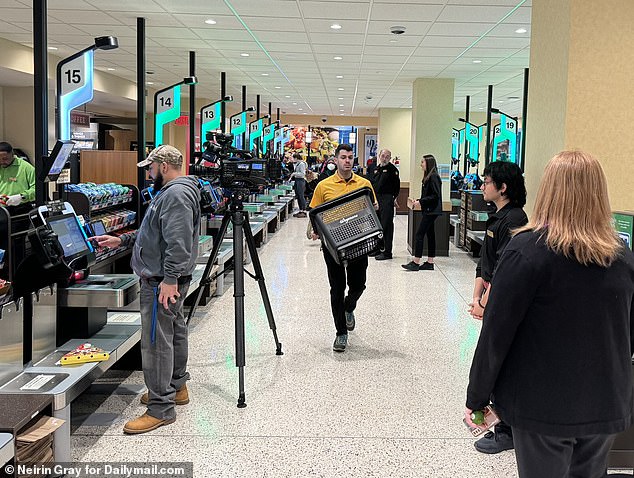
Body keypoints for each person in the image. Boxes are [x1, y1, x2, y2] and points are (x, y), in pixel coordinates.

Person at [465, 151, 634, 478]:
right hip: (605, 402)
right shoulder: (622, 256)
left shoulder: (527, 251)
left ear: (549, 191)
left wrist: (477, 395)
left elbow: (497, 333)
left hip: (542, 404)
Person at [91, 145, 201, 435]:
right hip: (166, 277)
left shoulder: (175, 194)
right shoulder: (177, 191)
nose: (149, 173)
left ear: (164, 166)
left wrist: (170, 278)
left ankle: (160, 407)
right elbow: (155, 235)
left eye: (150, 168)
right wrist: (123, 241)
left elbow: (178, 242)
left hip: (160, 282)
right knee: (174, 332)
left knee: (156, 342)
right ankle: (176, 388)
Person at [467, 161, 528, 454]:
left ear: (502, 187)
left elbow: (505, 271)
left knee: (502, 365)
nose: (483, 186)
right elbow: (485, 263)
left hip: (502, 303)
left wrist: (486, 303)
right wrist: (476, 298)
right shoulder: (496, 217)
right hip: (489, 301)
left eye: (487, 181)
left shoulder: (515, 220)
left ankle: (508, 430)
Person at [309, 144, 377, 352]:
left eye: (350, 158)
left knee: (358, 285)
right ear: (335, 160)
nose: (347, 161)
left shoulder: (364, 184)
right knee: (337, 289)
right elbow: (314, 212)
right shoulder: (324, 186)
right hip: (332, 246)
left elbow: (374, 208)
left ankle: (349, 307)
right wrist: (314, 230)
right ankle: (340, 333)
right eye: (343, 157)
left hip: (358, 242)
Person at [402, 154, 442, 271]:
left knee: (419, 234)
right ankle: (430, 262)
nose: (421, 164)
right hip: (430, 210)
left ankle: (416, 261)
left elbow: (435, 196)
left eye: (423, 162)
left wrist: (421, 201)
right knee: (430, 235)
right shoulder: (429, 176)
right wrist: (420, 201)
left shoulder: (433, 177)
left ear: (428, 163)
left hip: (431, 210)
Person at [371, 149, 400, 261]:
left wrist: (393, 198)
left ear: (390, 158)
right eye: (383, 156)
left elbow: (396, 186)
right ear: (379, 156)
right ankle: (378, 248)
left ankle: (387, 252)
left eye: (387, 156)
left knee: (386, 226)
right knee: (377, 225)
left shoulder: (392, 170)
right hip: (376, 199)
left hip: (387, 199)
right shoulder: (376, 168)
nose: (385, 158)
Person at [0, 142, 35, 206]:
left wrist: (21, 197)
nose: (2, 162)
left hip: (20, 208)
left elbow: (37, 189)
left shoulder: (26, 167)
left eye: (5, 159)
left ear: (12, 154)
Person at [291, 153, 308, 218]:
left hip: (300, 181)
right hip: (297, 180)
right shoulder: (297, 164)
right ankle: (300, 210)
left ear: (296, 158)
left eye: (293, 158)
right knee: (298, 195)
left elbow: (302, 174)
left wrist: (294, 174)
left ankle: (304, 211)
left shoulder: (301, 164)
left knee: (301, 196)